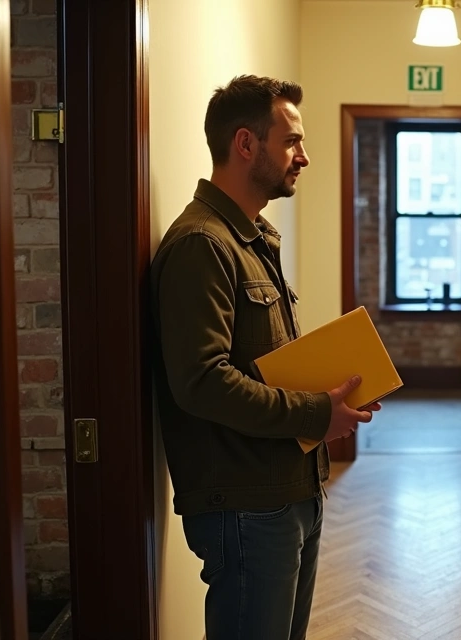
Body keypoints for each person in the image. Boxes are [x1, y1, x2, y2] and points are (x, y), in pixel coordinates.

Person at [150, 74, 379, 640]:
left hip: (286, 488)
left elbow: (258, 359)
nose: (304, 156)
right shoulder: (202, 244)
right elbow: (201, 381)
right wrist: (313, 414)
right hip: (245, 504)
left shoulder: (252, 235)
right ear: (246, 144)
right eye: (292, 141)